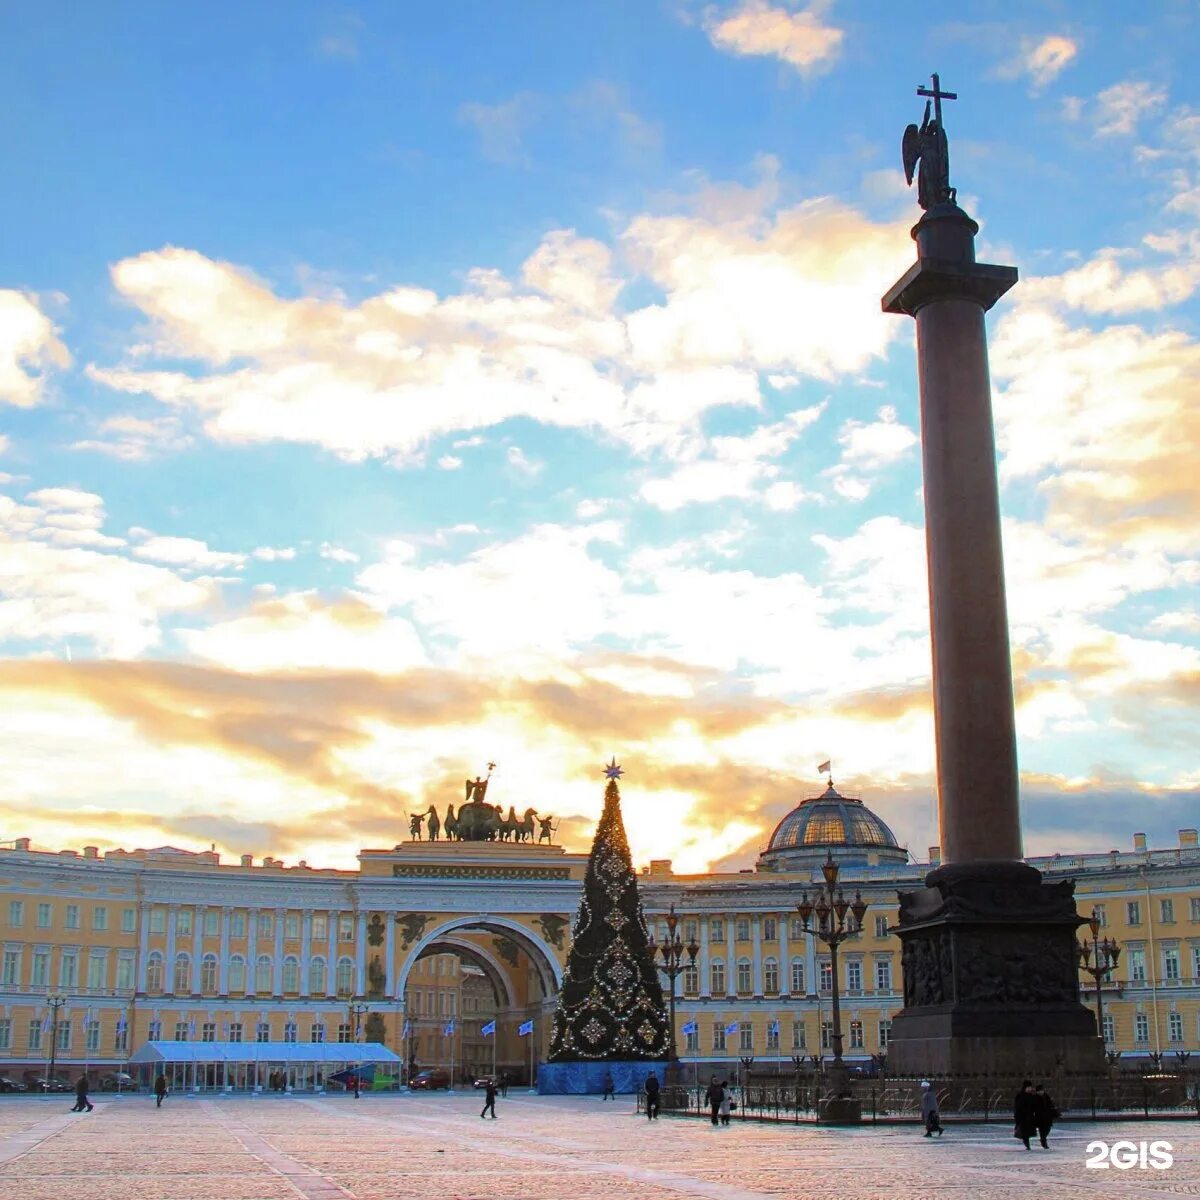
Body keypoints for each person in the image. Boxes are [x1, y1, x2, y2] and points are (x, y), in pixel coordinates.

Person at [1013, 1080, 1038, 1150]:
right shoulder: (1020, 1096)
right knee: (1024, 1132)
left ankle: (1027, 1144)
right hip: (1022, 1117)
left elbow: (1035, 1105)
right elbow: (1018, 1107)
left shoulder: (1031, 1096)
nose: (1030, 1089)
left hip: (1029, 1116)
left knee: (1028, 1132)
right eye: (1028, 1087)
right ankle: (1027, 1144)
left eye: (1030, 1087)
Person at [1033, 1084, 1058, 1149]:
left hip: (1047, 1116)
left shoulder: (1046, 1096)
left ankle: (1043, 1139)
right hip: (1039, 1117)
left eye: (1041, 1090)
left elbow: (1051, 1105)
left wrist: (1054, 1113)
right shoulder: (1035, 1098)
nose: (1040, 1092)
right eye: (1039, 1091)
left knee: (1048, 1129)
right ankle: (1044, 1143)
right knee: (1042, 1130)